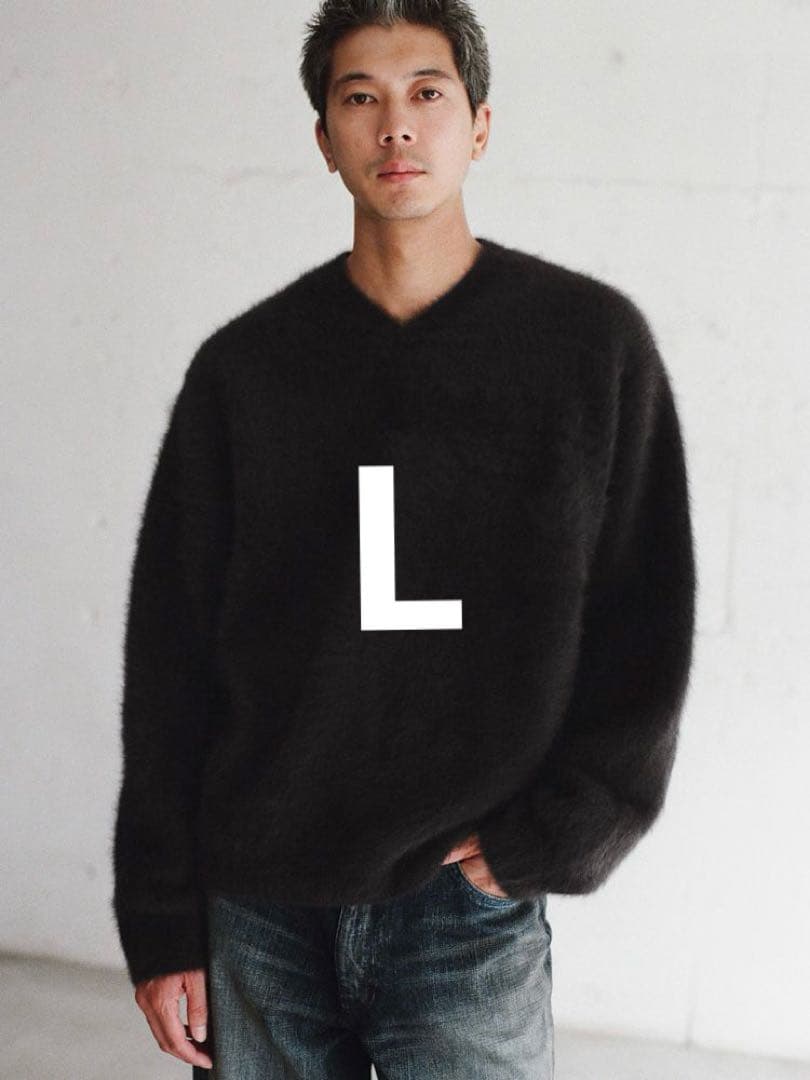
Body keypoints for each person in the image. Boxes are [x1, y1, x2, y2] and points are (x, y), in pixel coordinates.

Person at [111, 2, 697, 1078]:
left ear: (480, 125)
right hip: (260, 900)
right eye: (360, 98)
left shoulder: (588, 349)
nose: (396, 125)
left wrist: (569, 827)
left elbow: (643, 618)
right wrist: (160, 917)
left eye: (428, 92)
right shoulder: (246, 370)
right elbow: (171, 661)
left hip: (463, 909)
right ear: (324, 138)